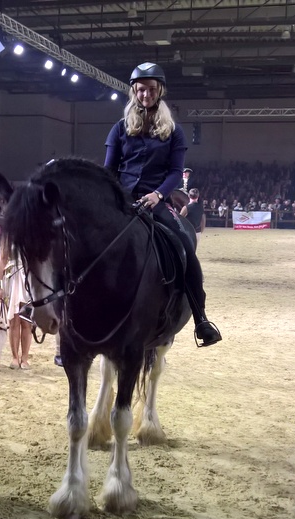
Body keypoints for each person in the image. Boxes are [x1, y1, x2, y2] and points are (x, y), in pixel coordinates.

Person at [104, 62, 221, 347]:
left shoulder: (174, 131)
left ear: (160, 91)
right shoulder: (119, 129)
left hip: (155, 201)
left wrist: (158, 195)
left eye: (151, 89)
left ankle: (201, 318)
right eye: (141, 89)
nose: (146, 95)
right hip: (123, 199)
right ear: (134, 91)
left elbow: (174, 172)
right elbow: (109, 169)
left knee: (183, 244)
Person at [0, 233, 32, 369]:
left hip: (29, 278)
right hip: (12, 279)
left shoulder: (34, 233)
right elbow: (2, 260)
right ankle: (15, 357)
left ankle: (25, 358)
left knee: (27, 322)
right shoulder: (8, 235)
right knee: (14, 320)